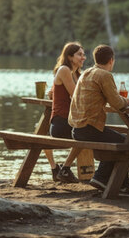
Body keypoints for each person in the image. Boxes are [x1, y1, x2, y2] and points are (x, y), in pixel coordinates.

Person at [68, 45, 129, 197]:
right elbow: (117, 103)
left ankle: (103, 178)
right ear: (111, 60)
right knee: (126, 142)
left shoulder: (86, 72)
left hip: (77, 129)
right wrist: (127, 101)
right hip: (89, 129)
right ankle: (116, 183)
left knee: (117, 139)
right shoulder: (104, 75)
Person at [45, 42, 86, 183]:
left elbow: (53, 93)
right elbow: (75, 95)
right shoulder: (64, 70)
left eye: (83, 54)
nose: (83, 57)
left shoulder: (76, 74)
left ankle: (62, 169)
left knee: (89, 131)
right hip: (61, 122)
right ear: (70, 56)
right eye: (79, 54)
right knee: (87, 133)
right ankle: (65, 169)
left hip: (69, 121)